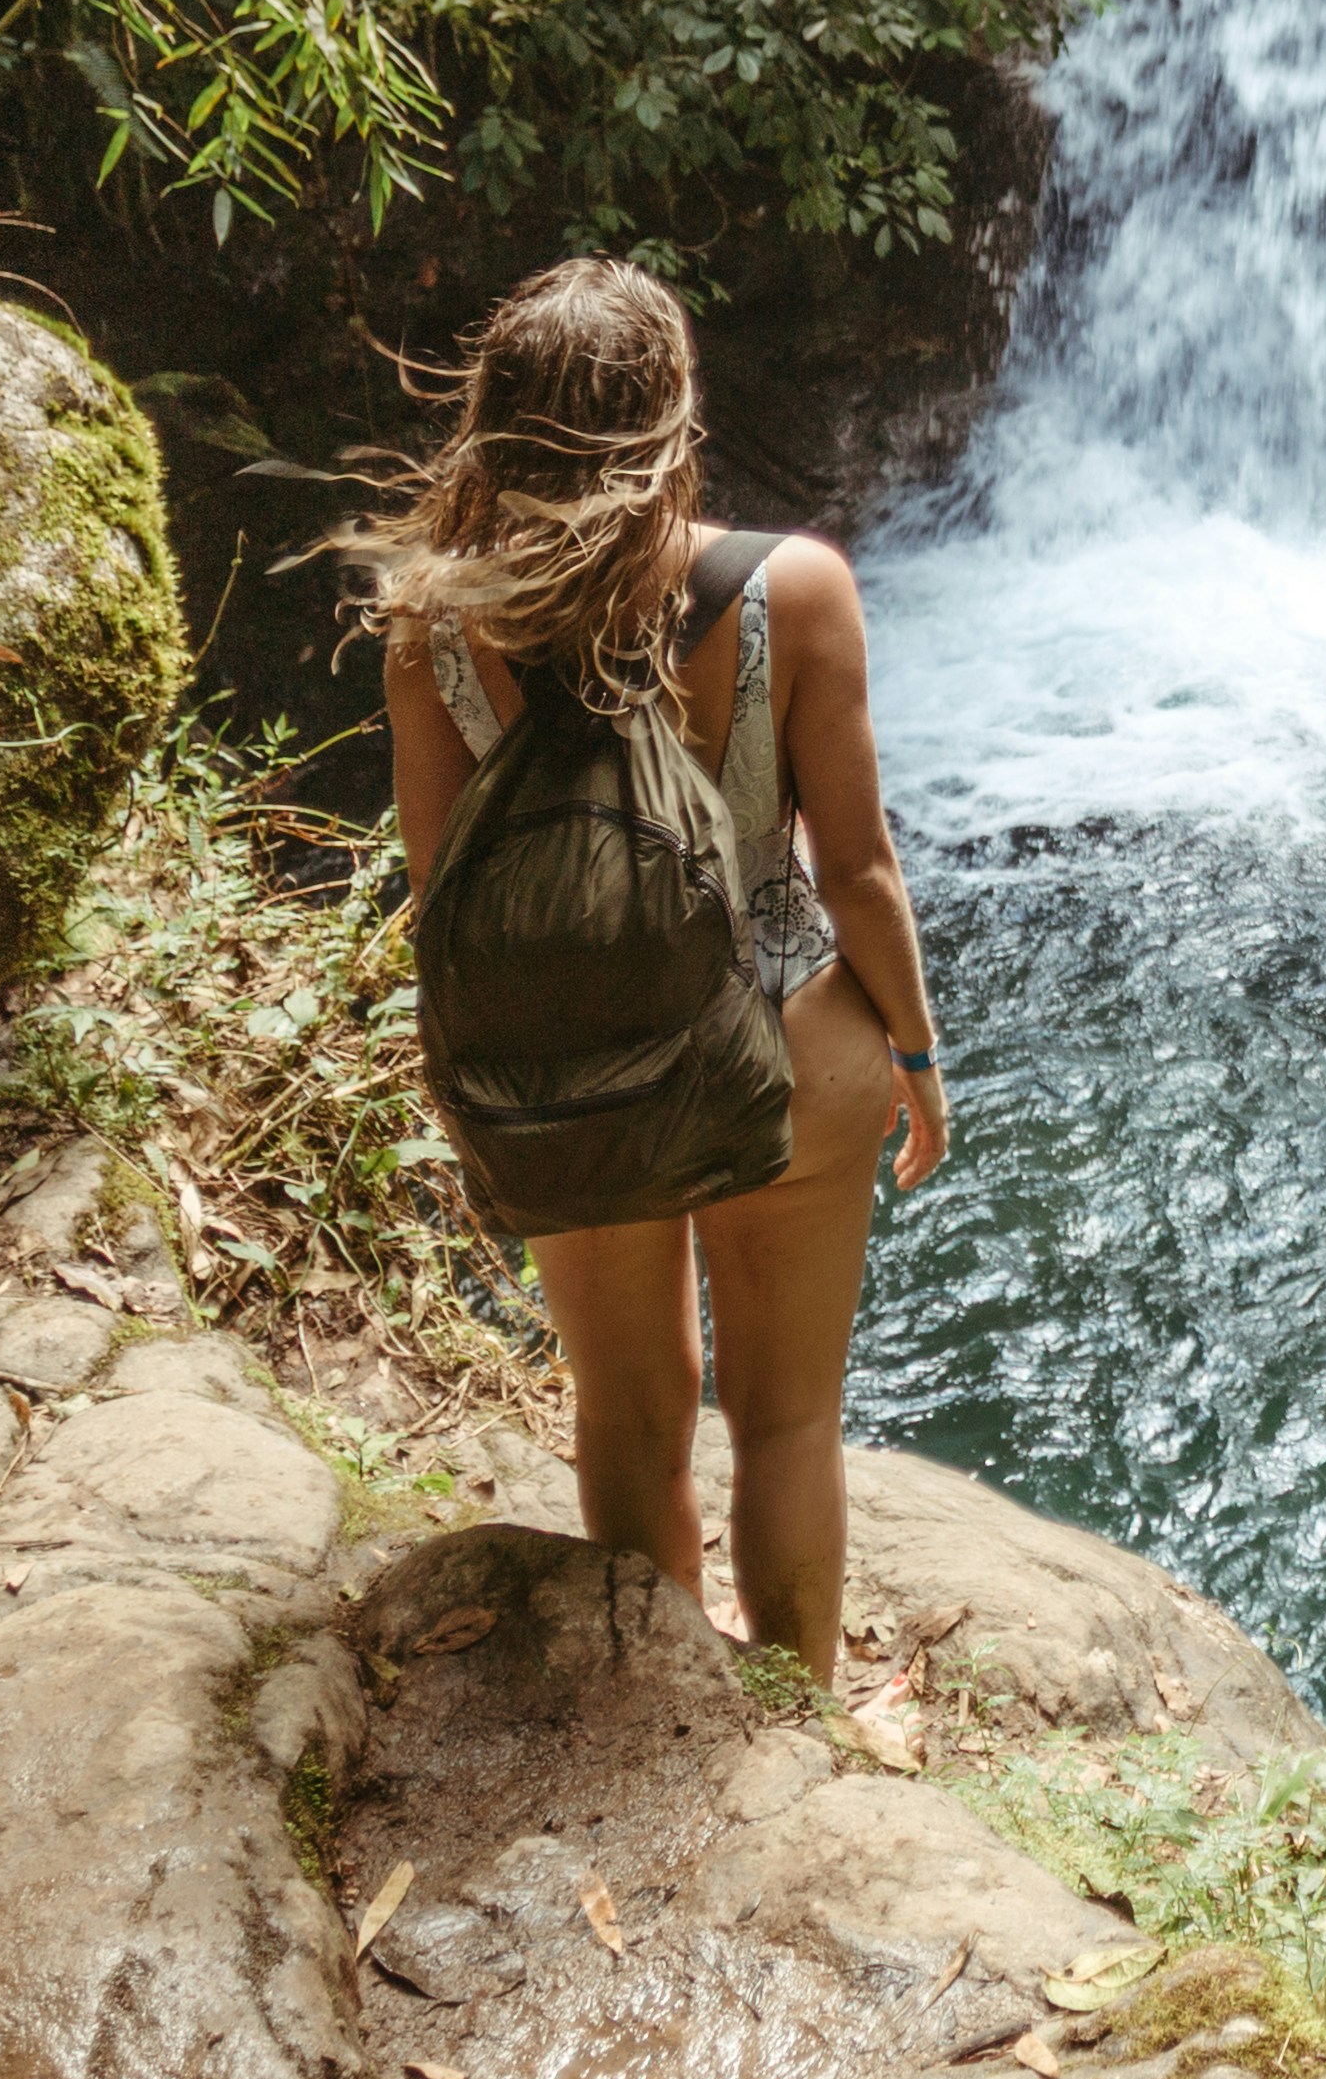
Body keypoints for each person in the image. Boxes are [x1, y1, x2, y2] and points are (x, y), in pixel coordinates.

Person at [344, 258, 948, 1674]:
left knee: (628, 1410)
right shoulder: (784, 590)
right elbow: (856, 871)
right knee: (790, 1416)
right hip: (791, 1043)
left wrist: (475, 1092)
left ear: (490, 432)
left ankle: (658, 1691)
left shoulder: (431, 621)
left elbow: (448, 901)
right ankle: (802, 1709)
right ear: (675, 423)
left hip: (573, 1051)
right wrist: (916, 1054)